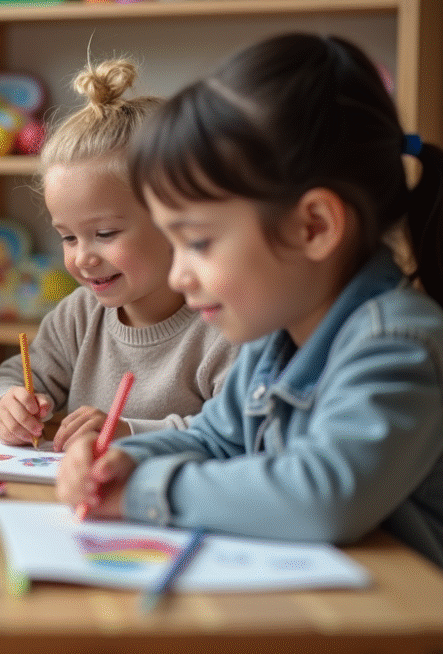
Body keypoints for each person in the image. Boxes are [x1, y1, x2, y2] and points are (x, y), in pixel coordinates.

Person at [58, 33, 443, 568]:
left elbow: (324, 496)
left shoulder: (397, 346)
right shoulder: (277, 339)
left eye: (197, 242)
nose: (179, 274)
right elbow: (215, 439)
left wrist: (148, 491)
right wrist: (121, 460)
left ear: (314, 226)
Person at [0, 59, 235, 448]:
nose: (82, 258)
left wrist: (127, 432)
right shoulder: (78, 316)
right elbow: (7, 376)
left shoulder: (224, 327)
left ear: (175, 220)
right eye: (67, 238)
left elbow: (235, 432)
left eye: (105, 233)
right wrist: (4, 406)